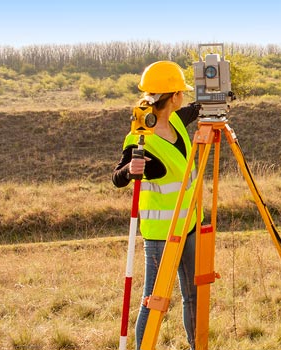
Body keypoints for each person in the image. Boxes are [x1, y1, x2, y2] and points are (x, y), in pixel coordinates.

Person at [112, 61, 201, 350]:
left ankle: (196, 344)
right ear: (173, 96)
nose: (184, 98)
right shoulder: (140, 136)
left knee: (194, 294)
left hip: (188, 224)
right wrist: (130, 170)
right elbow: (118, 177)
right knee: (154, 300)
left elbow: (197, 109)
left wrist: (219, 95)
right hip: (161, 233)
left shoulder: (175, 119)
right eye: (182, 92)